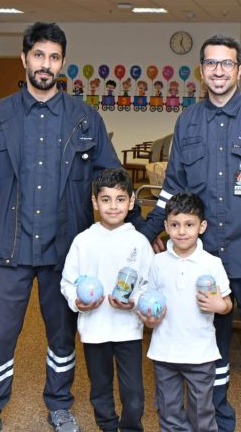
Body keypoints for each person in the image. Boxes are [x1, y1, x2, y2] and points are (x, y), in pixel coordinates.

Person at [0, 22, 137, 432]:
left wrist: (140, 233)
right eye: (38, 55)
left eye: (54, 57)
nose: (45, 64)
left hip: (64, 252)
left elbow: (113, 181)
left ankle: (59, 404)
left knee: (63, 336)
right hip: (7, 248)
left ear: (62, 63)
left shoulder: (85, 119)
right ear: (25, 58)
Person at [139, 34, 241, 432]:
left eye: (227, 63)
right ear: (201, 71)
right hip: (204, 261)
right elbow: (173, 191)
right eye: (211, 63)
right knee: (210, 350)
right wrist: (142, 235)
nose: (219, 70)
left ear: (239, 70)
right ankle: (217, 424)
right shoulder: (188, 122)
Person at [60, 167, 153, 432]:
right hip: (94, 329)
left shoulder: (139, 242)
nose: (113, 206)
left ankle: (131, 427)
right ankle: (107, 427)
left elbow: (149, 285)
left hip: (128, 329)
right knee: (100, 388)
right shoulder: (83, 241)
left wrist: (134, 301)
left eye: (120, 199)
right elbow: (68, 282)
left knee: (133, 393)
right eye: (106, 199)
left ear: (131, 202)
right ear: (95, 202)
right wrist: (77, 302)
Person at [139, 192, 232, 432]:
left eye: (189, 225)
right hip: (164, 352)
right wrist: (148, 318)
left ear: (202, 227)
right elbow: (149, 300)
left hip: (200, 354)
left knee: (202, 412)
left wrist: (219, 306)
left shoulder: (212, 263)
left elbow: (227, 303)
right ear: (166, 226)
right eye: (175, 225)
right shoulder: (157, 262)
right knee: (168, 411)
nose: (182, 231)